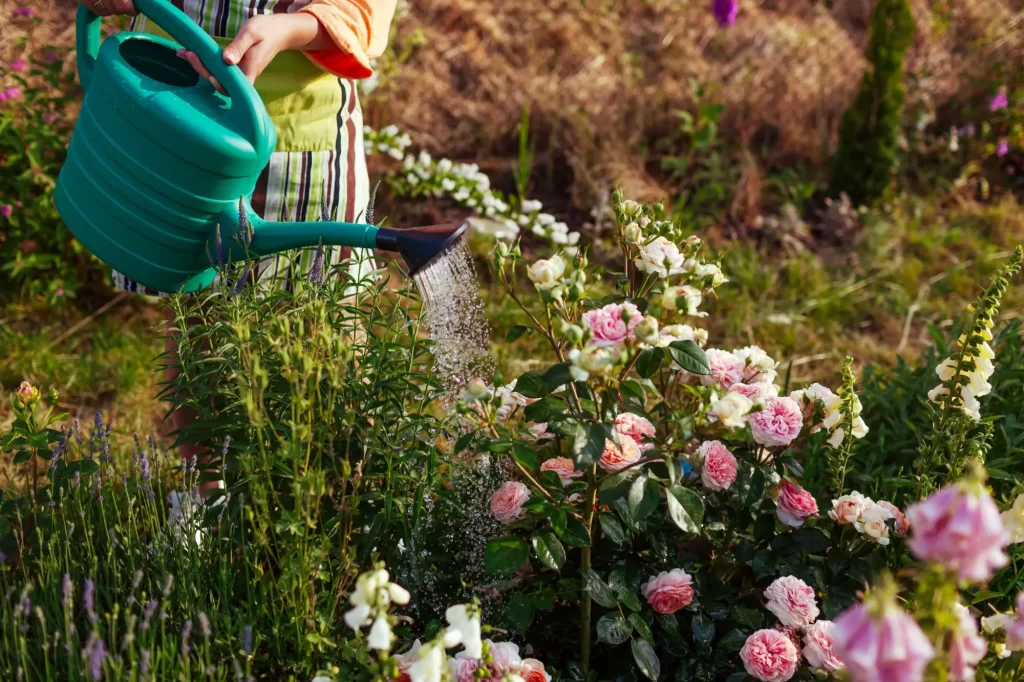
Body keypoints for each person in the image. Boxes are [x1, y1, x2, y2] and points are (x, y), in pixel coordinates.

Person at [78, 0, 397, 486]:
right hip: (177, 117)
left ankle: (345, 503)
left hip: (301, 141)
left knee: (330, 332)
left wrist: (290, 28)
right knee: (198, 325)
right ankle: (202, 504)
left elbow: (361, 10)